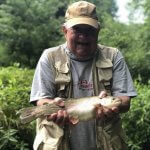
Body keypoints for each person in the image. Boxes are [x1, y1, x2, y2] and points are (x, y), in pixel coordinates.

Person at [30, 1, 137, 150]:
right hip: (57, 144)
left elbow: (125, 101)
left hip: (107, 144)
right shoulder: (50, 57)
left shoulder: (113, 56)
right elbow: (41, 100)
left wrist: (114, 105)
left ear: (98, 31)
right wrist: (53, 107)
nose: (83, 36)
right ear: (65, 30)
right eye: (77, 29)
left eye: (89, 30)